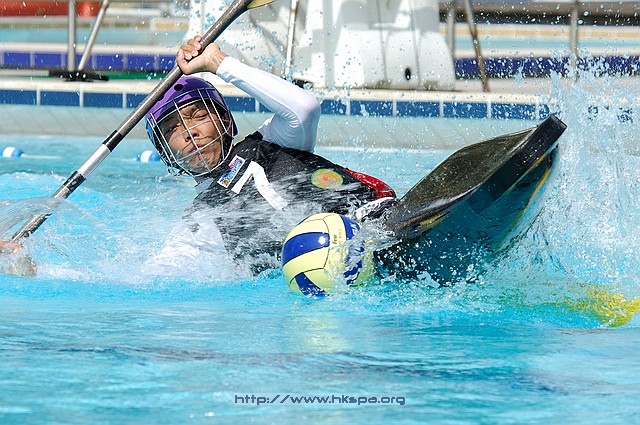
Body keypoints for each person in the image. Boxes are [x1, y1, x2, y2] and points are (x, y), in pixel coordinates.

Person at [145, 35, 396, 276]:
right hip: (315, 276)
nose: (189, 132)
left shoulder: (269, 142)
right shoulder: (198, 220)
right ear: (165, 153)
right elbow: (161, 274)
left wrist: (217, 62)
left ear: (226, 121)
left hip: (378, 226)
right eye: (172, 129)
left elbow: (304, 108)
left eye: (198, 116)